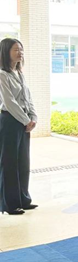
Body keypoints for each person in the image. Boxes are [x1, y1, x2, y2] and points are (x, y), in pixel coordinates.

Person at [0, 38, 38, 215]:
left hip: (23, 121)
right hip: (9, 121)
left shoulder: (19, 73)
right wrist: (25, 120)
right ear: (6, 52)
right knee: (9, 163)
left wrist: (33, 117)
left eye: (21, 49)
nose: (20, 53)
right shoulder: (2, 75)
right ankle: (10, 204)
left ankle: (23, 199)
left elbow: (27, 99)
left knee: (23, 162)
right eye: (16, 49)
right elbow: (9, 102)